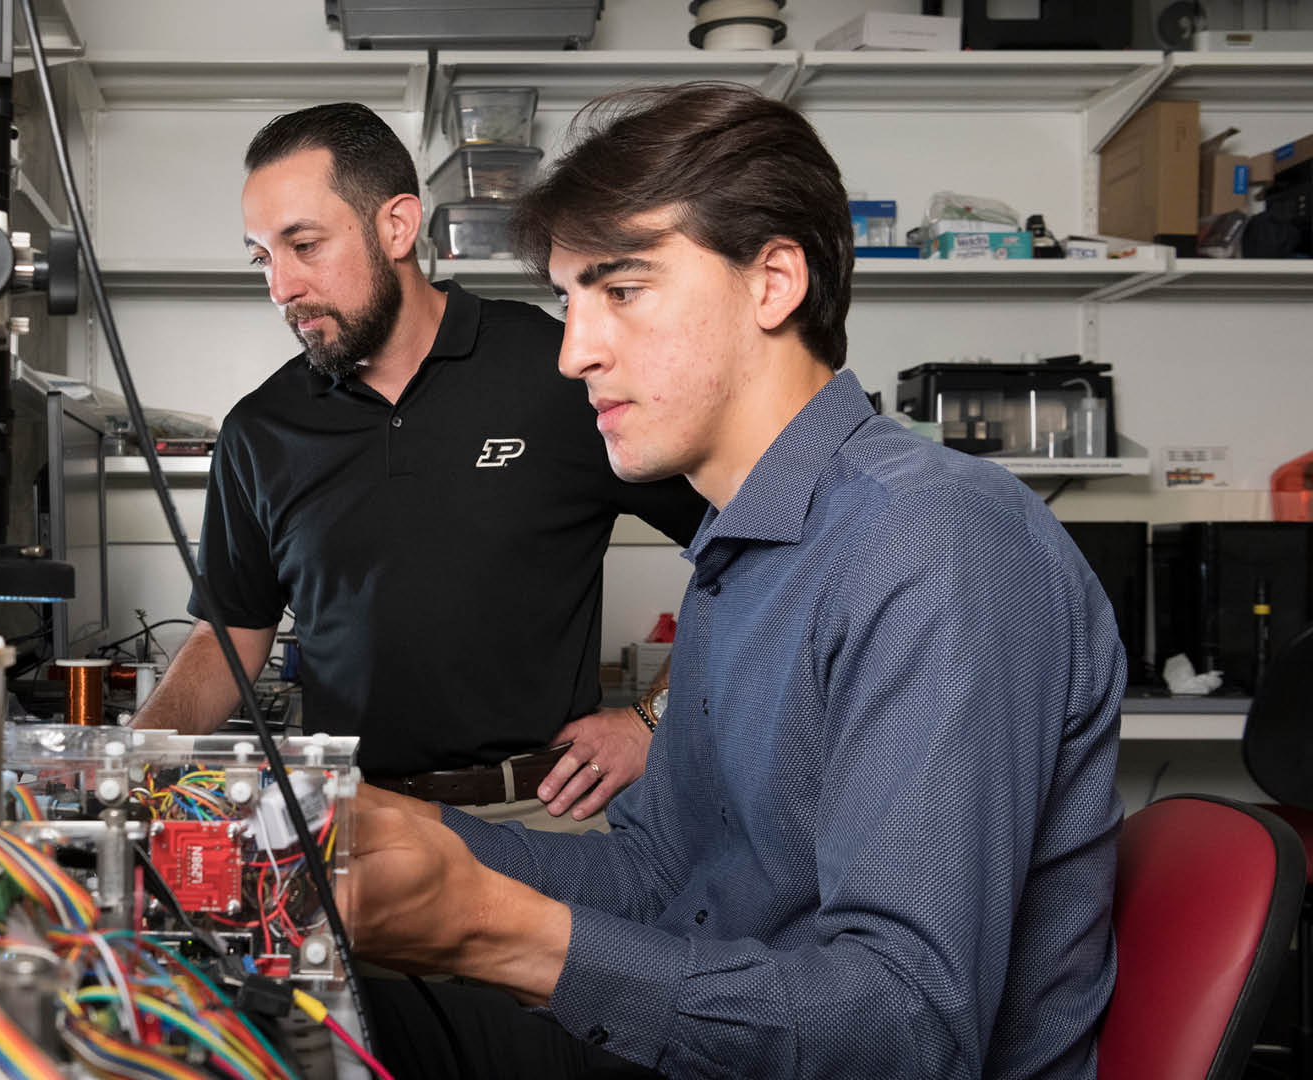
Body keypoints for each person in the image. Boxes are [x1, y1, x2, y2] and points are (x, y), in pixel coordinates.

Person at [345, 82, 1125, 1079]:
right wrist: (401, 831)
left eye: (619, 290)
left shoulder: (934, 542)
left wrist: (496, 934)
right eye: (567, 301)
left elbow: (911, 1026)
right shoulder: (739, 544)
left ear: (774, 282)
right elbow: (659, 870)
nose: (575, 351)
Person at [130, 103, 708, 828]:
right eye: (263, 257)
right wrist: (126, 763)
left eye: (303, 246)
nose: (280, 287)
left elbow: (744, 550)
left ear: (397, 227)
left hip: (540, 813)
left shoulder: (556, 370)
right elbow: (229, 637)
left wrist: (653, 721)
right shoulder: (262, 430)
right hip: (356, 820)